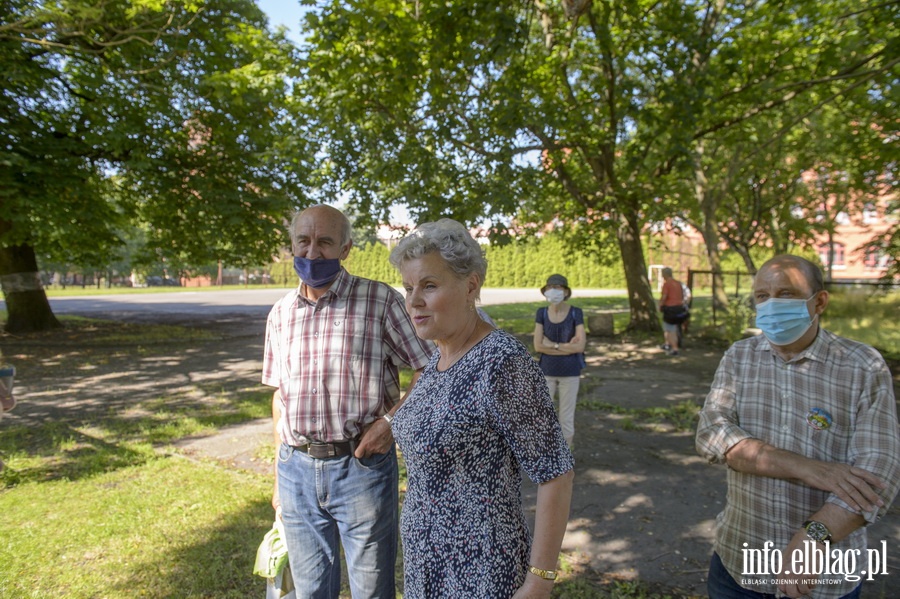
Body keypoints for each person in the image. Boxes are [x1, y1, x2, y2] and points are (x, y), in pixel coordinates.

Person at [387, 218, 575, 599]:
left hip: (482, 569)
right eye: (408, 288)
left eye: (429, 285)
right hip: (427, 563)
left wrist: (539, 580)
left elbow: (555, 472)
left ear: (470, 285)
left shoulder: (502, 362)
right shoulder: (439, 355)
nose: (413, 302)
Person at [695, 255, 900, 599]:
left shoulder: (862, 366)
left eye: (786, 293)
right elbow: (711, 435)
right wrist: (811, 470)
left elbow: (879, 474)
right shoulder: (739, 357)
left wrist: (815, 534)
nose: (771, 304)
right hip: (738, 564)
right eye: (762, 296)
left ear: (819, 301)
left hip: (823, 578)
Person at [261, 204, 433, 599]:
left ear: (346, 248)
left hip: (361, 468)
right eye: (303, 241)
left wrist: (390, 425)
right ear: (292, 245)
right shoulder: (280, 314)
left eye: (324, 242)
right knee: (309, 591)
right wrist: (277, 474)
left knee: (371, 589)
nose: (312, 252)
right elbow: (279, 397)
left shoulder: (381, 301)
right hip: (296, 471)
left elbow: (430, 367)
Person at [533, 274, 586, 449]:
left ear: (565, 291)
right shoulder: (541, 313)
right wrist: (565, 347)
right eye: (550, 287)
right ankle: (546, 454)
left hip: (570, 373)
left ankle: (565, 458)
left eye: (558, 287)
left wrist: (553, 345)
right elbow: (538, 346)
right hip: (546, 372)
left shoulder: (575, 312)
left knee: (566, 418)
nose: (553, 291)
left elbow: (580, 347)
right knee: (544, 416)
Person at [658, 267, 688, 355]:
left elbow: (664, 297)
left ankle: (675, 348)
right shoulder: (678, 284)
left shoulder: (667, 284)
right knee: (670, 328)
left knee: (670, 329)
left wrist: (660, 305)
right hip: (679, 308)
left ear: (665, 275)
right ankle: (667, 344)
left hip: (670, 309)